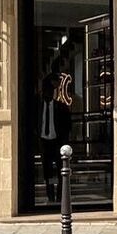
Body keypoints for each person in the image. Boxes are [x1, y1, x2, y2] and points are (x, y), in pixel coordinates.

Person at [37, 73, 72, 204]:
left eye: (50, 91)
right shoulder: (38, 108)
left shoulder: (61, 107)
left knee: (60, 170)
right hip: (44, 142)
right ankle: (50, 195)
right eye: (46, 91)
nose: (48, 94)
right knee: (47, 171)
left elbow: (67, 126)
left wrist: (64, 141)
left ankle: (60, 196)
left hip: (57, 142)